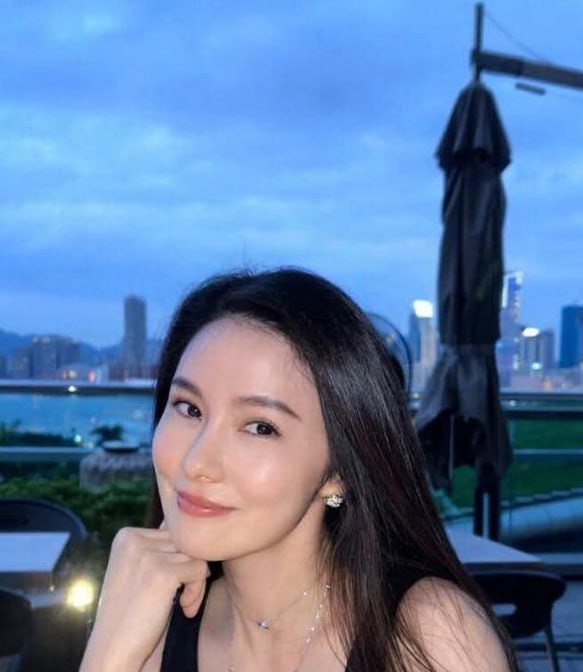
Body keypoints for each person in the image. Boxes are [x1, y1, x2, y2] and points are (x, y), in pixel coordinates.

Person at [80, 268, 518, 672]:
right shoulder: (150, 622)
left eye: (260, 427)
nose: (196, 462)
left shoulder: (429, 639)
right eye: (189, 408)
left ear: (338, 470)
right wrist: (109, 653)